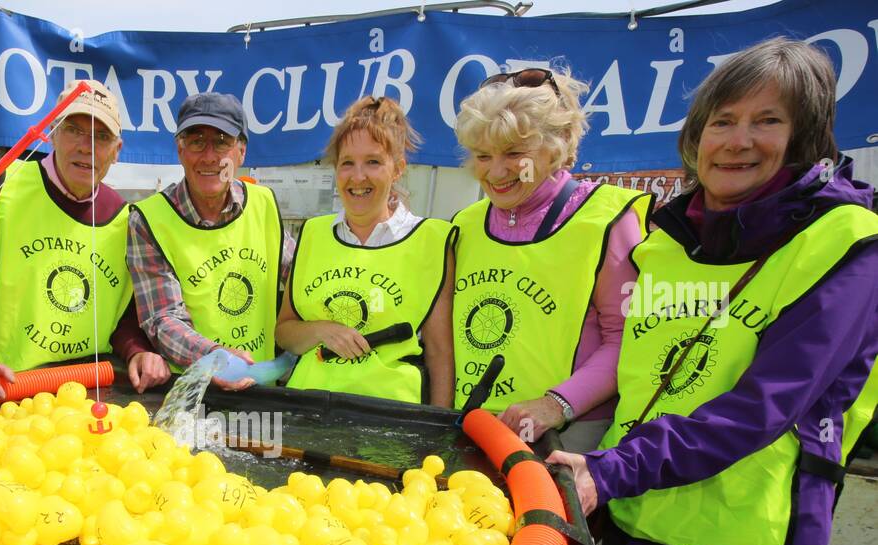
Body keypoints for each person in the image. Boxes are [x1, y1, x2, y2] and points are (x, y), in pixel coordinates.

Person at [548, 38, 878, 545]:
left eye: (767, 121)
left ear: (806, 137)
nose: (738, 140)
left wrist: (610, 472)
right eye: (721, 120)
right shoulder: (672, 240)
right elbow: (649, 384)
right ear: (694, 137)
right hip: (638, 524)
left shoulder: (849, 246)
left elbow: (761, 408)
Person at [452, 67, 651, 450]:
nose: (496, 171)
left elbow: (629, 338)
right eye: (482, 155)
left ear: (556, 146)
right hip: (474, 426)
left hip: (563, 433)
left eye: (514, 154)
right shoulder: (465, 223)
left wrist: (556, 404)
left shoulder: (607, 218)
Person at [0, 81, 169, 402]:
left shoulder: (126, 218)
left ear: (117, 150)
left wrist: (137, 351)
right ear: (53, 133)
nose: (87, 147)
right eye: (74, 130)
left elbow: (126, 316)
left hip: (90, 394)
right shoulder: (2, 187)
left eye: (101, 137)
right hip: (6, 390)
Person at [277, 96, 455, 404]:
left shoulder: (431, 240)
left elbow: (440, 353)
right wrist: (322, 330)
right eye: (347, 163)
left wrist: (439, 432)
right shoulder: (314, 233)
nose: (358, 177)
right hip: (307, 405)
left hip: (389, 414)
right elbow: (285, 332)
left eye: (373, 162)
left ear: (397, 168)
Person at [128, 93, 293, 389]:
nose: (209, 156)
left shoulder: (263, 202)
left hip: (261, 387)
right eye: (196, 142)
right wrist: (215, 358)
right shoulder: (148, 219)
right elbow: (163, 318)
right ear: (180, 151)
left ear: (240, 152)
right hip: (192, 391)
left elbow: (299, 278)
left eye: (221, 142)